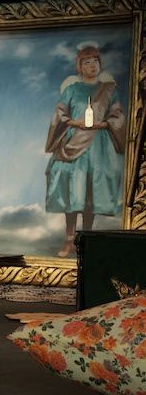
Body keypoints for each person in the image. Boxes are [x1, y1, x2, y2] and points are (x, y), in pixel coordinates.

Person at [45, 42, 126, 257]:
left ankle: (87, 239)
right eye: (87, 62)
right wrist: (75, 122)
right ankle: (69, 240)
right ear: (80, 67)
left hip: (99, 146)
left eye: (95, 61)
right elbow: (60, 114)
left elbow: (117, 116)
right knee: (72, 189)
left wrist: (103, 124)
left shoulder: (109, 90)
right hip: (74, 144)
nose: (92, 66)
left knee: (90, 192)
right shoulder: (72, 90)